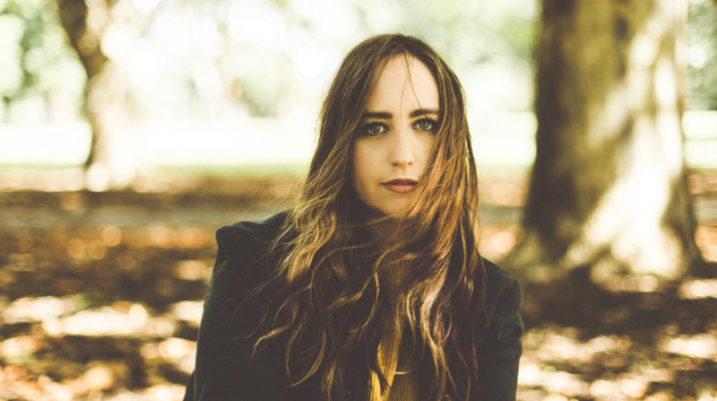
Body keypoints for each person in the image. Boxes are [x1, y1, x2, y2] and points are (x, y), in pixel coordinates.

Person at [183, 34, 523, 401]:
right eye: (374, 127)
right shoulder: (254, 265)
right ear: (342, 142)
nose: (402, 155)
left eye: (425, 124)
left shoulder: (489, 301)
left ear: (451, 142)